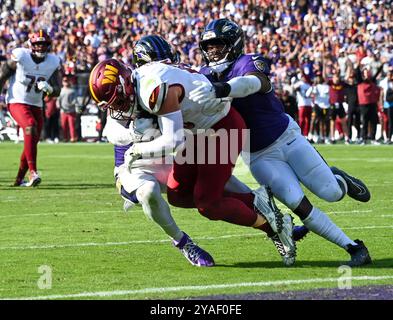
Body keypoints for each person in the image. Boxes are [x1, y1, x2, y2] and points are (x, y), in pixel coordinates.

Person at [190, 18, 372, 266]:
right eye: (208, 46)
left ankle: (341, 180)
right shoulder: (202, 76)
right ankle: (354, 248)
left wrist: (223, 89)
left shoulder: (248, 62)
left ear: (233, 43)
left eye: (218, 44)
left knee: (330, 192)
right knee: (300, 207)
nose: (212, 50)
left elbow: (253, 83)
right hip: (257, 155)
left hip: (286, 138)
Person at [88, 58, 298, 266]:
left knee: (208, 204)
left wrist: (137, 149)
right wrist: (135, 135)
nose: (117, 108)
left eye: (118, 100)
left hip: (219, 129)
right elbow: (116, 132)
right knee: (177, 196)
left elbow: (173, 139)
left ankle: (273, 226)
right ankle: (257, 201)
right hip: (197, 133)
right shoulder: (141, 85)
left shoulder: (154, 88)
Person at [0, 29, 62, 186]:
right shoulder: (21, 56)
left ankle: (18, 180)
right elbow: (2, 76)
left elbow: (57, 90)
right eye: (37, 44)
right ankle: (33, 172)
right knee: (29, 126)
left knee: (32, 140)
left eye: (44, 44)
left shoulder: (53, 61)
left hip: (36, 104)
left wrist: (49, 88)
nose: (41, 47)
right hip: (16, 101)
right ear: (31, 45)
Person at [57, 75, 78, 142]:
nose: (66, 82)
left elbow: (75, 100)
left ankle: (73, 138)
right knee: (64, 126)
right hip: (63, 111)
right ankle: (65, 138)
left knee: (72, 125)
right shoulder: (61, 90)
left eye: (67, 80)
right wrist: (59, 106)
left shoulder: (72, 90)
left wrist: (72, 106)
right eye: (64, 81)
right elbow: (58, 100)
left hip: (71, 111)